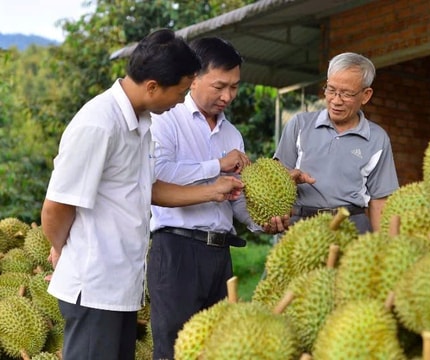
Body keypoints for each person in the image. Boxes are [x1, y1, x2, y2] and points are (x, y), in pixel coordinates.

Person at [40, 29, 244, 360]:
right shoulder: (99, 124)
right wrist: (64, 251)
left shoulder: (141, 122)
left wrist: (214, 190)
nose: (181, 100)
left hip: (122, 285)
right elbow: (56, 206)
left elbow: (149, 189)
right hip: (94, 285)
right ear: (152, 86)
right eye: (179, 92)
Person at [147, 36, 305, 360]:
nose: (228, 96)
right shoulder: (166, 120)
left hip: (220, 255)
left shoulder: (233, 135)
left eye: (234, 87)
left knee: (219, 348)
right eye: (220, 86)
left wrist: (264, 223)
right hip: (176, 250)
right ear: (193, 77)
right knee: (174, 349)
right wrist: (217, 165)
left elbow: (235, 199)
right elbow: (156, 177)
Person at [274, 52, 399, 234]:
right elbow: (276, 176)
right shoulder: (299, 125)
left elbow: (380, 201)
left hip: (352, 228)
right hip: (302, 226)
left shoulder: (378, 138)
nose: (336, 100)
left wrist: (387, 249)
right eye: (331, 90)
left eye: (346, 94)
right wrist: (288, 179)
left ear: (365, 95)